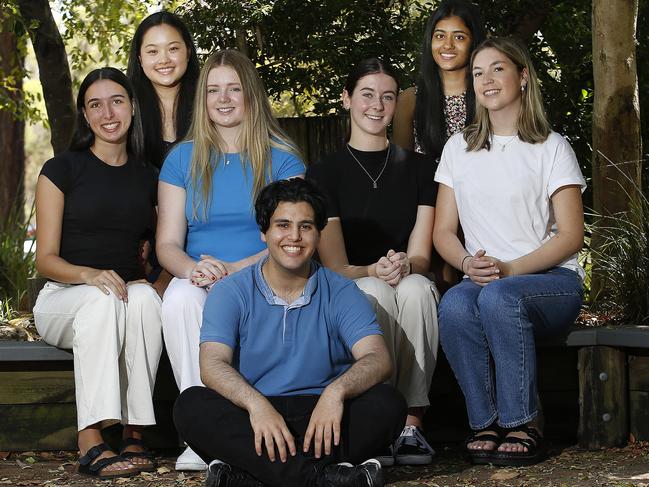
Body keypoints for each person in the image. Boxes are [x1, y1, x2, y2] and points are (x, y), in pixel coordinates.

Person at [173, 178, 407, 487]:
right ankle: (326, 478)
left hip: (321, 416)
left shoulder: (341, 291)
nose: (294, 237)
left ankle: (247, 477)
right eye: (283, 225)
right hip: (254, 415)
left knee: (388, 403)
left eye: (306, 226)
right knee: (190, 406)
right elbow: (212, 365)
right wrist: (256, 405)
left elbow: (377, 358)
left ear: (318, 233)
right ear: (264, 232)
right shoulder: (231, 290)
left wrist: (335, 393)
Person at [433, 37, 585, 467]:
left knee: (500, 297)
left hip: (551, 282)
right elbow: (444, 231)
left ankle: (525, 421)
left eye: (497, 69)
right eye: (478, 73)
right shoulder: (458, 149)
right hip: (481, 279)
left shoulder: (552, 147)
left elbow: (571, 236)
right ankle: (487, 422)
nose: (486, 79)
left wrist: (508, 270)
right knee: (455, 306)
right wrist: (466, 263)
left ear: (522, 76)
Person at [156, 49, 305, 471]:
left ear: (251, 96)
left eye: (234, 89)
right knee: (181, 298)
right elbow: (167, 242)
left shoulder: (283, 158)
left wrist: (237, 270)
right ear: (202, 99)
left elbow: (293, 237)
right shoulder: (182, 159)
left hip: (266, 274)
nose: (224, 99)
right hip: (203, 276)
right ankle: (199, 434)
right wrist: (193, 269)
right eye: (214, 90)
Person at [306, 58, 438, 466]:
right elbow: (334, 266)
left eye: (387, 96)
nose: (377, 105)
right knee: (373, 289)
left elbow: (421, 254)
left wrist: (406, 266)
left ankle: (411, 423)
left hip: (405, 274)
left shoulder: (419, 168)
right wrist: (374, 271)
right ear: (347, 99)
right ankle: (377, 418)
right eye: (366, 94)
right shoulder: (324, 173)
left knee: (417, 289)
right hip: (354, 278)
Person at [33, 67, 162, 479]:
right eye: (95, 104)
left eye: (117, 101)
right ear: (85, 117)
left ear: (132, 108)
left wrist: (155, 283)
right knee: (104, 297)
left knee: (143, 296)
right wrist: (88, 274)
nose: (108, 112)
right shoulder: (61, 170)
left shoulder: (149, 177)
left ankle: (135, 432)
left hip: (120, 296)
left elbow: (162, 250)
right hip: (63, 298)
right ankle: (89, 437)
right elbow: (45, 259)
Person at [127, 10, 200, 297]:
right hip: (143, 237)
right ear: (140, 58)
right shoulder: (126, 111)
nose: (164, 60)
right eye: (153, 51)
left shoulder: (210, 105)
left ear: (188, 51)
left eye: (173, 49)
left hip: (200, 233)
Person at [392, 0, 485, 159]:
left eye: (459, 37)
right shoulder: (409, 100)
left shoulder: (488, 96)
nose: (447, 45)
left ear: (474, 42)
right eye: (440, 36)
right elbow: (401, 171)